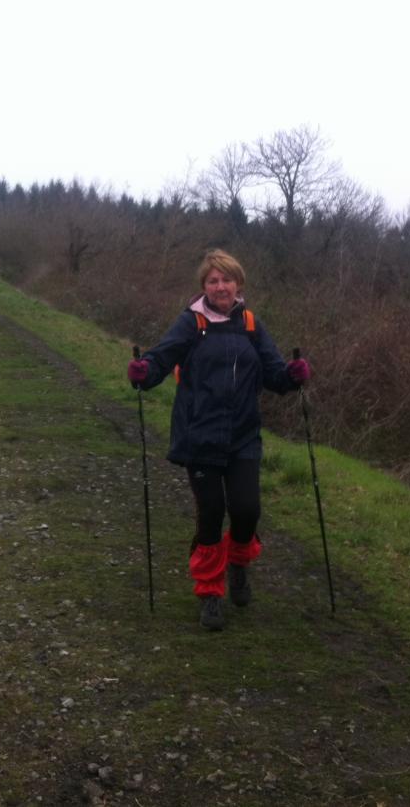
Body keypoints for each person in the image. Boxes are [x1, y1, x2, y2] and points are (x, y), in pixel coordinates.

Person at [126, 249, 309, 631]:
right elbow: (162, 358)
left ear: (238, 284)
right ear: (204, 287)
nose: (220, 286)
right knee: (211, 514)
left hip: (243, 436)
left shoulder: (251, 325)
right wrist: (144, 372)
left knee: (246, 510)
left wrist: (293, 375)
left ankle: (239, 565)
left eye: (227, 279)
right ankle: (210, 592)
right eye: (213, 280)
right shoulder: (192, 323)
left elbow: (274, 373)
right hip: (200, 437)